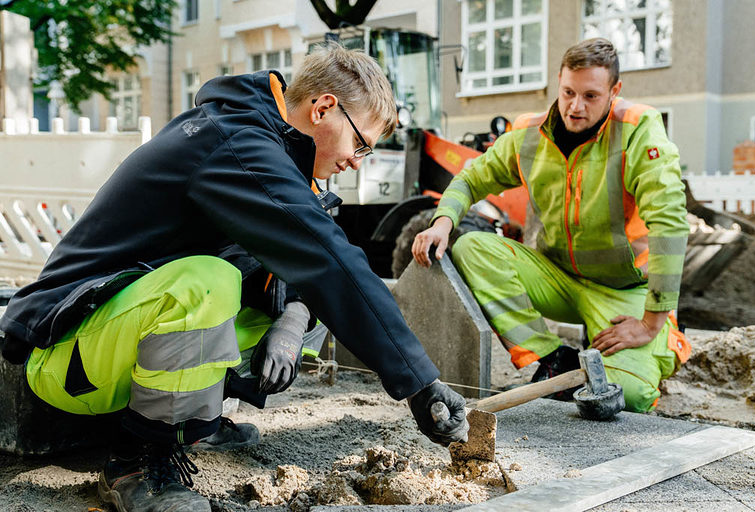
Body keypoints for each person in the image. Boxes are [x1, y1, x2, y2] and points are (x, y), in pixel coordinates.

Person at [0, 43, 468, 512]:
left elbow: (314, 269)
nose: (357, 160)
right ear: (324, 107)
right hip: (65, 353)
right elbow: (329, 258)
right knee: (210, 283)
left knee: (314, 301)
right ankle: (138, 461)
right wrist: (419, 381)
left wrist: (290, 323)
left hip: (109, 342)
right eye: (361, 143)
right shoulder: (235, 142)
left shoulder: (268, 149)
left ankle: (193, 421)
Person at [412, 38, 691, 413]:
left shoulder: (638, 129)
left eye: (591, 96)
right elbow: (470, 178)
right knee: (472, 247)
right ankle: (551, 357)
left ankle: (668, 338)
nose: (576, 107)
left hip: (622, 288)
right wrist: (443, 222)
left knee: (631, 394)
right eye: (568, 92)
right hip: (555, 277)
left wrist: (651, 321)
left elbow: (669, 223)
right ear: (558, 82)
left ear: (615, 90)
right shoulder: (529, 132)